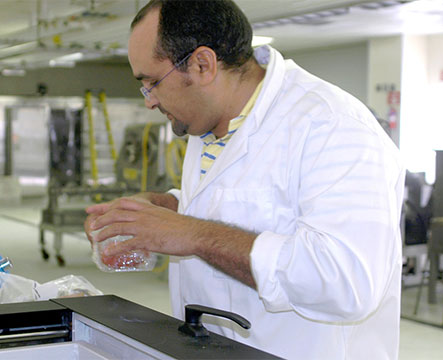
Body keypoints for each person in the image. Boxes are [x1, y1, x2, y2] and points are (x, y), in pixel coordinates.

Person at [84, 1, 405, 359]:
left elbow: (347, 283)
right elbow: (246, 203)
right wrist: (165, 209)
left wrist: (189, 233)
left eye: (152, 83)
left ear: (202, 65)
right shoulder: (207, 125)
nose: (149, 101)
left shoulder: (333, 126)